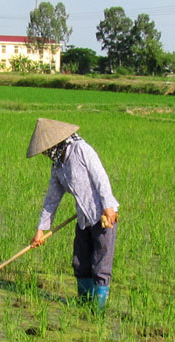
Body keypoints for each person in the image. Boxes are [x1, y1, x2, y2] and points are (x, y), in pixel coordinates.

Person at [27, 118, 118, 311]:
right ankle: (83, 304)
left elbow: (100, 177)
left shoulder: (81, 150)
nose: (45, 153)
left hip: (102, 216)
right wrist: (41, 230)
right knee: (80, 261)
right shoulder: (57, 167)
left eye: (45, 149)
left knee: (100, 264)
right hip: (83, 219)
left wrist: (108, 206)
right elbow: (51, 200)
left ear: (54, 143)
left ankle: (98, 311)